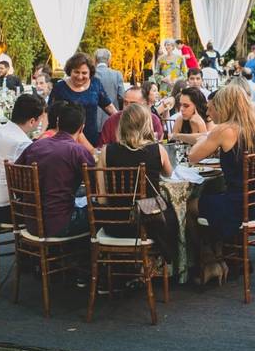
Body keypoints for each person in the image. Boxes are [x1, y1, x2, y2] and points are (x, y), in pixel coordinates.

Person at [187, 83, 255, 241]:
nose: (210, 112)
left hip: (238, 205)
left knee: (189, 205)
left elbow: (192, 157)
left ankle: (210, 259)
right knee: (212, 194)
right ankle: (226, 253)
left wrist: (207, 135)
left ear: (225, 106)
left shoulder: (225, 130)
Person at [99, 103, 177, 258]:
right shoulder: (157, 150)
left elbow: (102, 200)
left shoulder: (106, 151)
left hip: (115, 224)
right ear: (147, 124)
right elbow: (169, 174)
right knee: (172, 215)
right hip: (149, 223)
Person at [15, 102, 94, 237]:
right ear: (82, 128)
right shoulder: (77, 151)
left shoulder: (35, 146)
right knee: (100, 209)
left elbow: (16, 175)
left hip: (31, 222)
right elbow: (95, 185)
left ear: (58, 122)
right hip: (61, 223)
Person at [0, 93, 44, 224]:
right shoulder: (21, 143)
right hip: (5, 209)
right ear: (32, 121)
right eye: (40, 120)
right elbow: (28, 181)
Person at [48, 53, 117, 148]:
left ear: (90, 73)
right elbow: (48, 113)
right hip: (67, 141)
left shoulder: (95, 84)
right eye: (76, 72)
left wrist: (121, 121)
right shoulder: (60, 87)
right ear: (70, 71)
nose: (80, 77)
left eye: (84, 73)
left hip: (92, 138)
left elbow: (108, 106)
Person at [100, 86, 165, 145]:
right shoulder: (112, 121)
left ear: (144, 104)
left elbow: (158, 146)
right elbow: (102, 147)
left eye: (133, 103)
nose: (128, 107)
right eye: (125, 103)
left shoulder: (153, 120)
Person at [94, 48, 124, 130]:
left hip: (93, 120)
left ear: (95, 60)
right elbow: (122, 96)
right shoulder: (117, 74)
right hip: (112, 119)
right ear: (109, 60)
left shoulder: (90, 74)